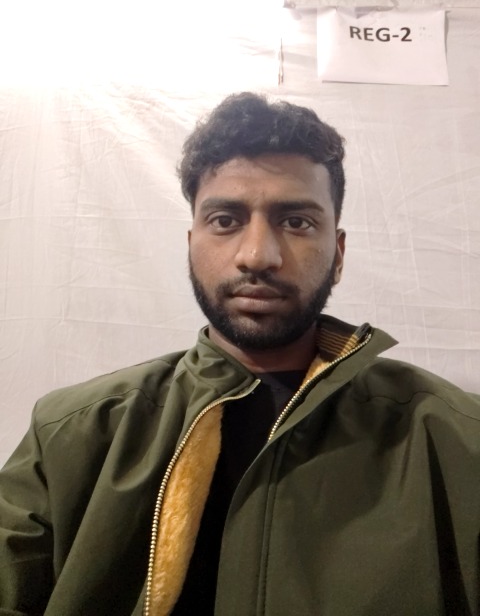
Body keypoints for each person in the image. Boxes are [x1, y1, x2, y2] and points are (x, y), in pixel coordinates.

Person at [0, 92, 479, 616]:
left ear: (338, 254)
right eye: (226, 220)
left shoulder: (453, 437)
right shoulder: (73, 433)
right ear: (191, 244)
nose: (257, 255)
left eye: (296, 222)